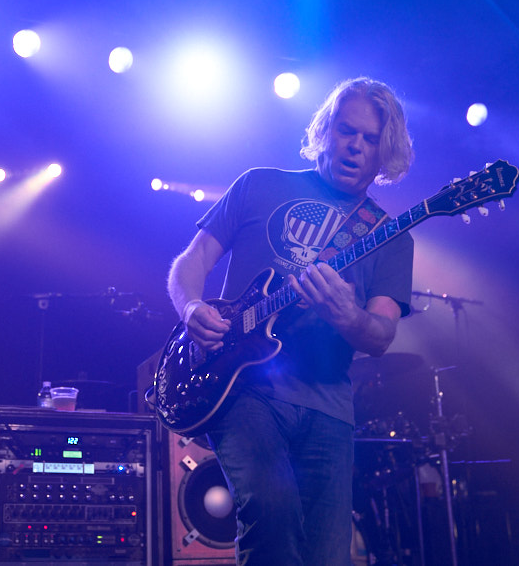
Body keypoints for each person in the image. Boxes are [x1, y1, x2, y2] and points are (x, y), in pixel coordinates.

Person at [166, 77, 414, 565]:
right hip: (245, 388)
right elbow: (192, 260)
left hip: (328, 405)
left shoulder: (390, 236)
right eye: (346, 131)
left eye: (370, 140)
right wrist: (191, 307)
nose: (355, 146)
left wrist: (348, 315)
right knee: (271, 513)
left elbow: (382, 335)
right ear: (326, 129)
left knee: (326, 555)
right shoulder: (259, 185)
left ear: (385, 153)